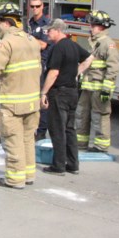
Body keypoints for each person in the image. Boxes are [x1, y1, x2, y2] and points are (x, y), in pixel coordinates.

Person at [0, 3, 42, 189]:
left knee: (13, 141)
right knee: (27, 140)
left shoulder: (6, 43)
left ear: (6, 23)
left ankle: (15, 179)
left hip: (13, 103)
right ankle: (29, 175)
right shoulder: (31, 40)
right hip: (32, 102)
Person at [40, 19, 91, 176]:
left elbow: (53, 72)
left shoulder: (58, 47)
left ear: (57, 30)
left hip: (59, 93)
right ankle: (73, 164)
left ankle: (59, 165)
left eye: (49, 31)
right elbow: (89, 58)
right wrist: (75, 73)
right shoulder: (73, 45)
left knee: (57, 129)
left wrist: (44, 92)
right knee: (70, 129)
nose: (47, 33)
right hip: (72, 92)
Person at [76, 10, 119, 153]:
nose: (91, 28)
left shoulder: (108, 44)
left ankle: (101, 146)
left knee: (100, 117)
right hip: (88, 87)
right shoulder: (92, 41)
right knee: (82, 115)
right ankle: (80, 144)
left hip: (100, 88)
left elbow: (113, 68)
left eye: (93, 25)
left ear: (101, 27)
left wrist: (107, 89)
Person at [25, 0, 52, 139]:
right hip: (31, 63)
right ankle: (31, 128)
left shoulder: (46, 23)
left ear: (43, 7)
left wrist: (28, 39)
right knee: (31, 98)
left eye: (37, 6)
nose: (34, 9)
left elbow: (43, 44)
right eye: (32, 6)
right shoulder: (29, 23)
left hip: (43, 64)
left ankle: (41, 132)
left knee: (42, 98)